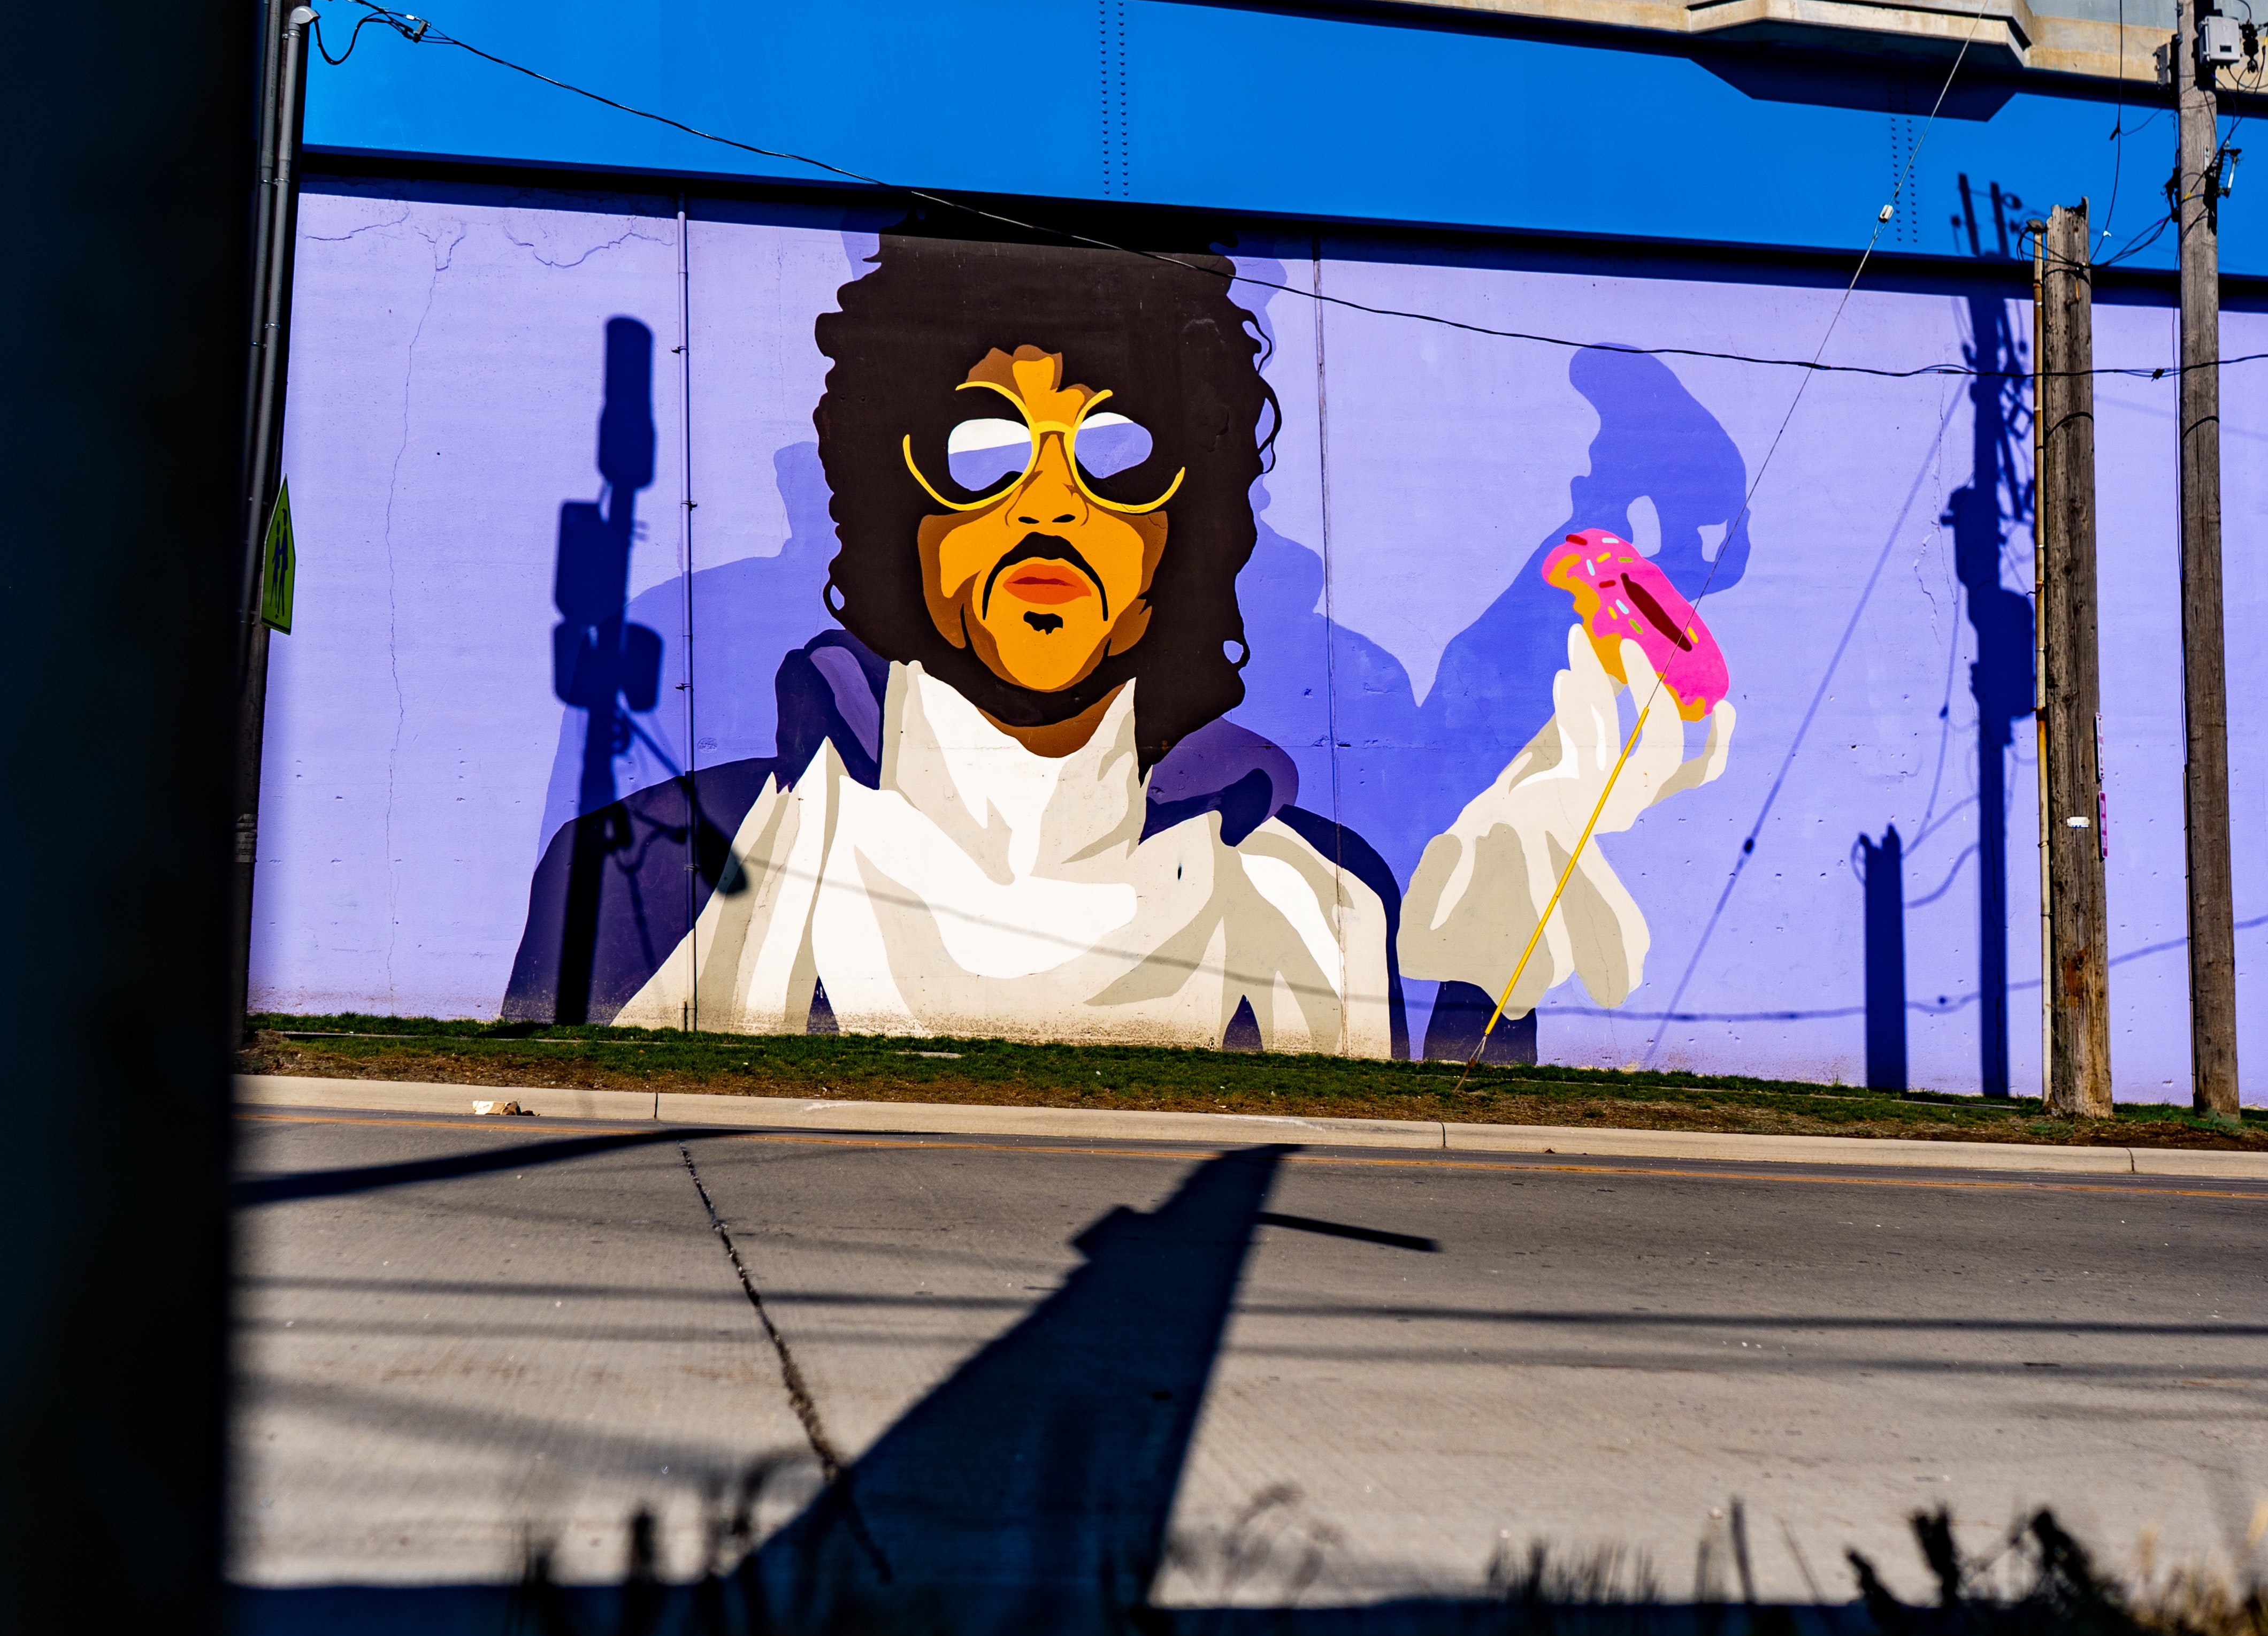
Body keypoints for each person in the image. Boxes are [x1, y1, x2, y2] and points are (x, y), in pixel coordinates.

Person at [503, 226, 1733, 1058]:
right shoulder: (653, 879)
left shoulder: (1324, 902)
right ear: (891, 500)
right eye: (983, 450)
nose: (1049, 503)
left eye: (1117, 453)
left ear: (1187, 524)